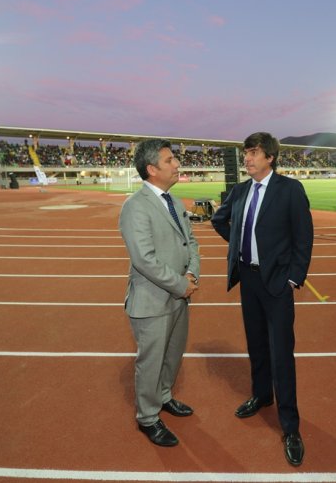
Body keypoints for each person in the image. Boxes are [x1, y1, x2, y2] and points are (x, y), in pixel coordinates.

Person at [211, 131, 313, 466]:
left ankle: (291, 427)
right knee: (256, 345)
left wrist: (293, 276)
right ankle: (260, 396)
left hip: (277, 284)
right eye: (246, 153)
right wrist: (238, 248)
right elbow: (219, 219)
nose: (248, 158)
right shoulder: (240, 191)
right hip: (249, 280)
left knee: (281, 353)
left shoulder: (290, 190)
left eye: (254, 152)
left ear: (270, 157)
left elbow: (303, 237)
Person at [118, 139, 200, 447]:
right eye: (169, 161)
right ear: (152, 169)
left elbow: (190, 243)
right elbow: (144, 259)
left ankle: (164, 396)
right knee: (151, 361)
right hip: (153, 301)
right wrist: (182, 285)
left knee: (172, 354)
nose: (177, 164)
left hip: (179, 295)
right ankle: (148, 417)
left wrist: (192, 273)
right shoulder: (135, 207)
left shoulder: (175, 202)